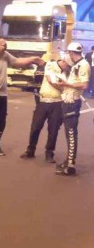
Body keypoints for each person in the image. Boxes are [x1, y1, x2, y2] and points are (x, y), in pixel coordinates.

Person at [0, 36, 45, 156]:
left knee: (1, 122)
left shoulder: (5, 55)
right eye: (2, 45)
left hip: (2, 94)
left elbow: (17, 62)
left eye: (5, 45)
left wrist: (33, 59)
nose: (5, 47)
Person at [20, 58, 70, 162]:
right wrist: (65, 88)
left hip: (58, 103)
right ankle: (30, 150)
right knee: (35, 127)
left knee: (53, 130)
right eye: (68, 65)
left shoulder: (68, 72)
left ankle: (49, 153)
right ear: (64, 62)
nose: (69, 67)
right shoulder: (50, 65)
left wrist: (67, 86)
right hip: (43, 101)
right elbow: (51, 81)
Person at [55, 42, 90, 176]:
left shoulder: (83, 65)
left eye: (68, 53)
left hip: (72, 102)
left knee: (71, 134)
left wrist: (66, 83)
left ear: (71, 52)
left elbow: (84, 85)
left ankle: (71, 165)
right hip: (68, 100)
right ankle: (68, 161)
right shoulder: (77, 65)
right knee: (68, 133)